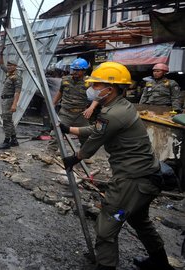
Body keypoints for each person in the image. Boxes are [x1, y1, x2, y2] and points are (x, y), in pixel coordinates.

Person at [60, 62, 174, 270]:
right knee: (140, 221)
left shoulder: (111, 114)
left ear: (109, 89)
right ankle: (160, 263)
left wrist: (74, 158)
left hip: (132, 181)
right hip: (147, 176)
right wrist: (70, 128)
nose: (91, 89)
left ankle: (106, 266)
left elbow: (91, 146)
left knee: (107, 226)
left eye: (95, 85)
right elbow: (98, 130)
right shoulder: (120, 106)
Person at [49, 58, 98, 149]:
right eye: (74, 69)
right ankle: (50, 153)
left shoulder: (90, 82)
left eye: (77, 70)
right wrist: (53, 104)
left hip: (81, 114)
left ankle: (84, 156)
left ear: (83, 71)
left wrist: (91, 108)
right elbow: (60, 92)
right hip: (65, 112)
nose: (74, 72)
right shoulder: (65, 80)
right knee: (57, 133)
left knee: (86, 135)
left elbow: (98, 96)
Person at [0, 46, 22, 149]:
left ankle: (7, 141)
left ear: (15, 66)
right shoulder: (9, 73)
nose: (9, 67)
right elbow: (1, 64)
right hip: (5, 100)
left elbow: (17, 92)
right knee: (9, 120)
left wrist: (14, 104)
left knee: (6, 121)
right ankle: (14, 140)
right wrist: (1, 53)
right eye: (9, 65)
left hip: (10, 100)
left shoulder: (17, 77)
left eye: (11, 65)